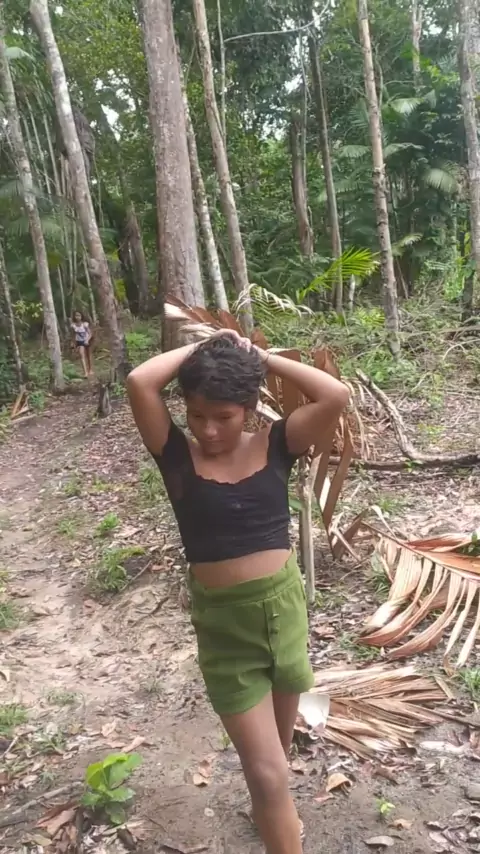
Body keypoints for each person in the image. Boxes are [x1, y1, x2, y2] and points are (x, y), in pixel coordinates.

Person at [127, 331, 349, 854]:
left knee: (276, 762)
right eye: (196, 415)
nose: (208, 430)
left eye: (223, 417)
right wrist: (204, 346)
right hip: (225, 632)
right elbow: (139, 381)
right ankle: (272, 811)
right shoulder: (176, 457)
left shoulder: (277, 444)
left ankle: (268, 813)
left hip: (284, 614)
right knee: (269, 774)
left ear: (249, 409)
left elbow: (335, 395)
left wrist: (261, 356)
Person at [71, 311, 94, 378]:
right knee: (81, 355)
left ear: (81, 316)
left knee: (88, 355)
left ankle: (90, 369)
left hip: (86, 341)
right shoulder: (73, 325)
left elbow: (90, 333)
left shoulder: (85, 324)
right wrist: (72, 342)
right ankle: (85, 372)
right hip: (79, 342)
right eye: (76, 315)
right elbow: (73, 334)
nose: (77, 317)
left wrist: (87, 340)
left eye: (79, 315)